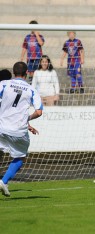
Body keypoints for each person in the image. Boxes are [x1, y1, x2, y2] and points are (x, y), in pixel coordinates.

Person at [0, 62, 43, 197]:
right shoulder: (31, 89)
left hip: (1, 127)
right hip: (18, 130)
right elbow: (39, 111)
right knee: (20, 156)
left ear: (13, 73)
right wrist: (27, 120)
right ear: (27, 74)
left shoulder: (4, 84)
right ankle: (4, 181)